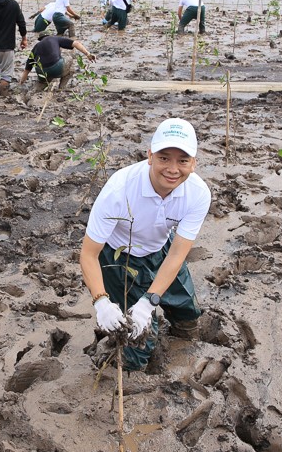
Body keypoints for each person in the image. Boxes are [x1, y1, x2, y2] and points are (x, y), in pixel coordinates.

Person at [80, 118, 212, 371]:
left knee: (187, 314)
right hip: (120, 258)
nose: (173, 169)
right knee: (136, 345)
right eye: (164, 158)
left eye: (183, 160)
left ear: (193, 164)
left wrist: (149, 301)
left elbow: (177, 254)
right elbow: (88, 254)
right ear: (150, 155)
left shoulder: (198, 193)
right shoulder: (119, 189)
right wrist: (101, 302)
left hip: (162, 250)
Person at [19, 35, 95, 91]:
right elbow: (76, 43)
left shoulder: (36, 46)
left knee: (42, 83)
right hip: (56, 67)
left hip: (41, 71)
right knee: (70, 59)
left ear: (41, 39)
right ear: (49, 35)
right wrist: (88, 54)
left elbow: (28, 66)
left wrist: (21, 82)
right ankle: (61, 88)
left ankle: (35, 90)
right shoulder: (55, 38)